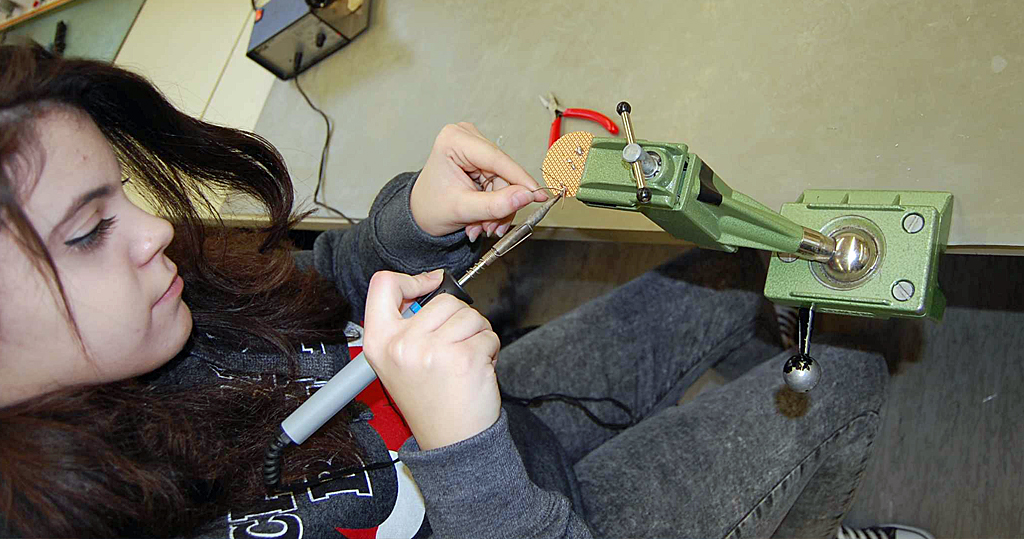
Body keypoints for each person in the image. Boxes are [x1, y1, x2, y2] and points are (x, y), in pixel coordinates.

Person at [0, 43, 932, 539]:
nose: (156, 232)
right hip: (512, 510)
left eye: (121, 194)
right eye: (87, 233)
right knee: (845, 381)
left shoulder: (157, 310)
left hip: (499, 433)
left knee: (727, 263)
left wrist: (414, 223)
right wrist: (467, 456)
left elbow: (304, 297)